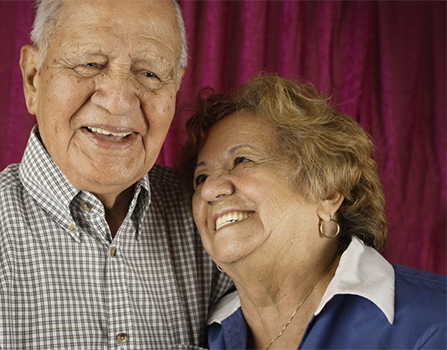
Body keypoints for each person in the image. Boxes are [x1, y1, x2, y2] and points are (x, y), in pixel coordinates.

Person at [0, 0, 232, 348]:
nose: (119, 100)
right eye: (90, 64)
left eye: (150, 73)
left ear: (174, 88)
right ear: (33, 79)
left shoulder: (213, 216)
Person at [178, 74, 447, 349]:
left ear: (328, 191)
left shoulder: (435, 320)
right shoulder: (207, 336)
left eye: (242, 160)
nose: (209, 190)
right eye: (201, 178)